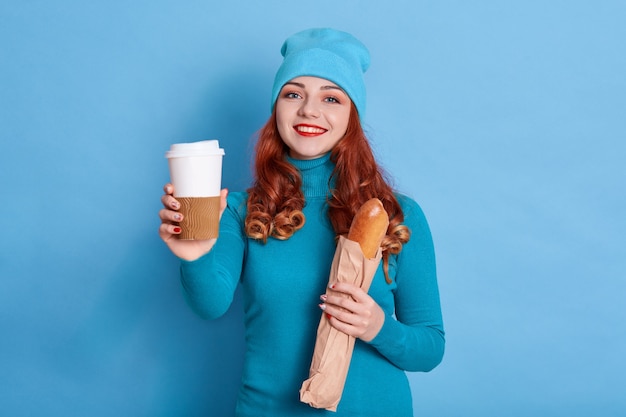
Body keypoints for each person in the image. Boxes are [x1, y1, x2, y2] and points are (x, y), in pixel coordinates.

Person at [158, 28, 444, 417]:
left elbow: (430, 348)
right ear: (277, 106)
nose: (309, 110)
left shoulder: (397, 215)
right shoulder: (243, 210)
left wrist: (378, 326)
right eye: (294, 93)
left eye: (331, 97)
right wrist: (194, 252)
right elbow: (209, 305)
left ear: (352, 116)